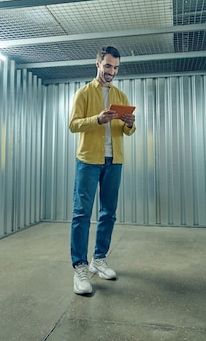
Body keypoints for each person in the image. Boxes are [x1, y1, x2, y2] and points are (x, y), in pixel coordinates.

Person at [68, 45, 136, 295]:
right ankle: (80, 268)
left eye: (116, 67)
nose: (112, 71)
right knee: (81, 214)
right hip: (88, 160)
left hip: (114, 160)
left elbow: (127, 132)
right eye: (108, 66)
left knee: (108, 213)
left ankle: (99, 259)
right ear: (98, 64)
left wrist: (129, 124)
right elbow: (73, 125)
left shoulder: (121, 95)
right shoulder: (83, 93)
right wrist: (97, 119)